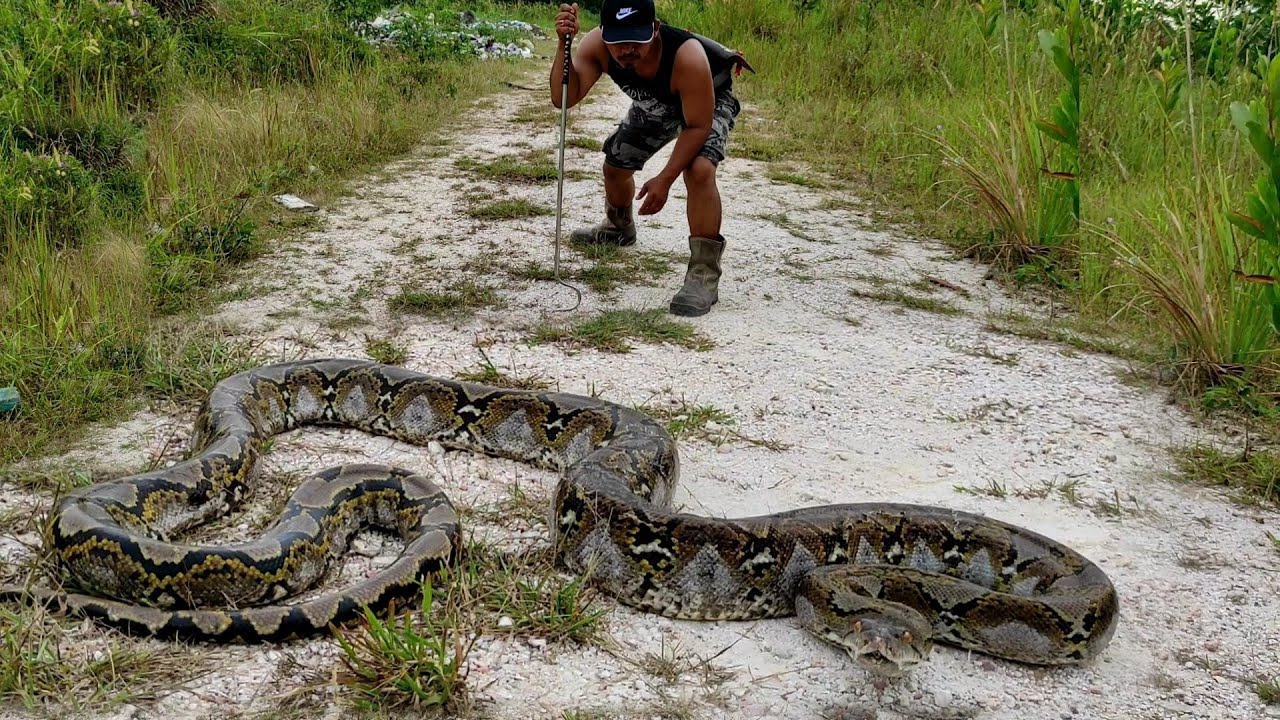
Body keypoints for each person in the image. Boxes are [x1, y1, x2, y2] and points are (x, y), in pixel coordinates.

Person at [550, 0, 753, 317]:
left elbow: (698, 126)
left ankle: (704, 274)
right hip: (655, 104)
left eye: (637, 38)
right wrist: (564, 44)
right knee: (615, 165)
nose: (627, 49)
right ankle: (619, 228)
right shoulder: (597, 46)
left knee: (699, 170)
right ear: (605, 34)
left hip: (706, 99)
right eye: (619, 40)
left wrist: (664, 179)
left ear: (655, 29)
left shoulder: (686, 56)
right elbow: (565, 98)